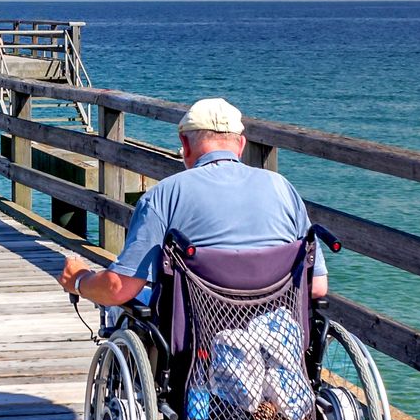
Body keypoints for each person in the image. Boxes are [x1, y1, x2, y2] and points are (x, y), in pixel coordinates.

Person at [58, 98, 327, 307]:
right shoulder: (283, 188)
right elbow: (316, 286)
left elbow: (119, 288)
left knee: (126, 306)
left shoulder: (164, 195)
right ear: (241, 145)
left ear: (184, 144)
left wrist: (80, 280)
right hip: (277, 338)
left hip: (196, 341)